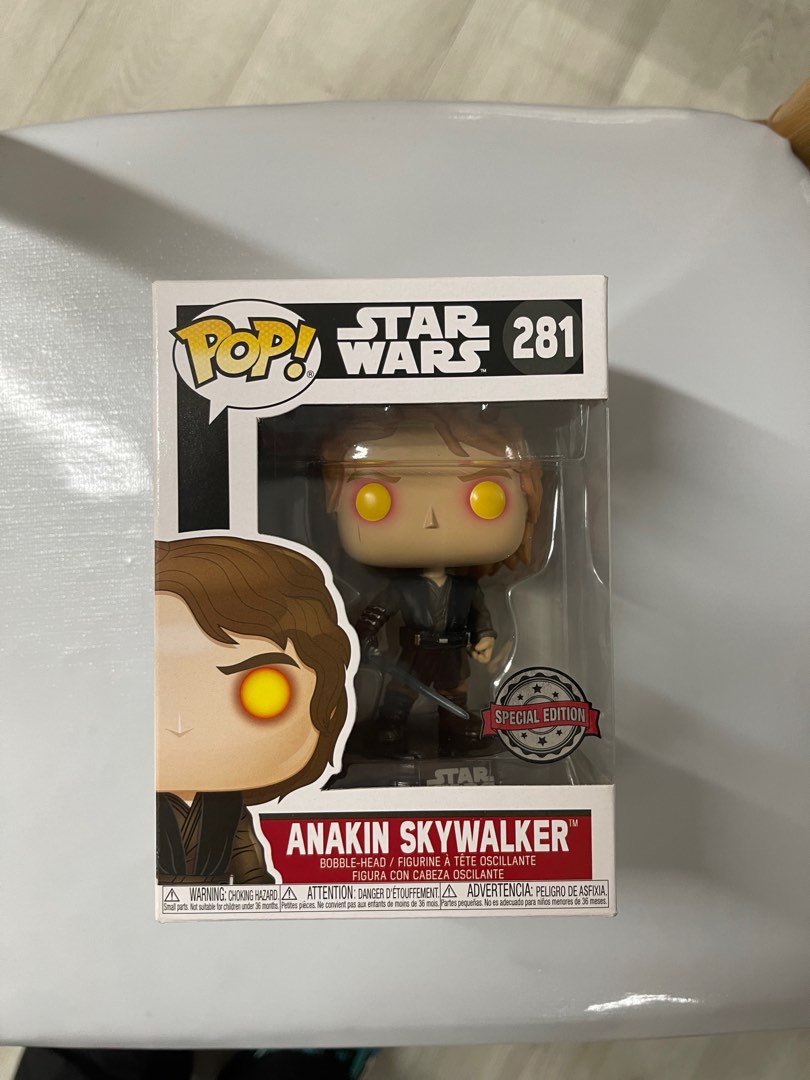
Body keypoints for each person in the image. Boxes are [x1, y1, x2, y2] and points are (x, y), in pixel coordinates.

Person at [323, 406, 541, 757]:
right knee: (402, 691)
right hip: (415, 650)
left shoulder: (466, 588)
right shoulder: (403, 588)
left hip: (453, 650)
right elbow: (378, 612)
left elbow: (479, 616)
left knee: (454, 691)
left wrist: (485, 638)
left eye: (485, 498)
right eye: (375, 498)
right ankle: (391, 723)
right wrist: (362, 635)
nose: (430, 520)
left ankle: (454, 725)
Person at [155, 536, 352, 884]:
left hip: (217, 907)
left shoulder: (228, 808)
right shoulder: (131, 805)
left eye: (262, 692)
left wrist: (259, 893)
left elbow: (248, 861)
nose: (181, 725)